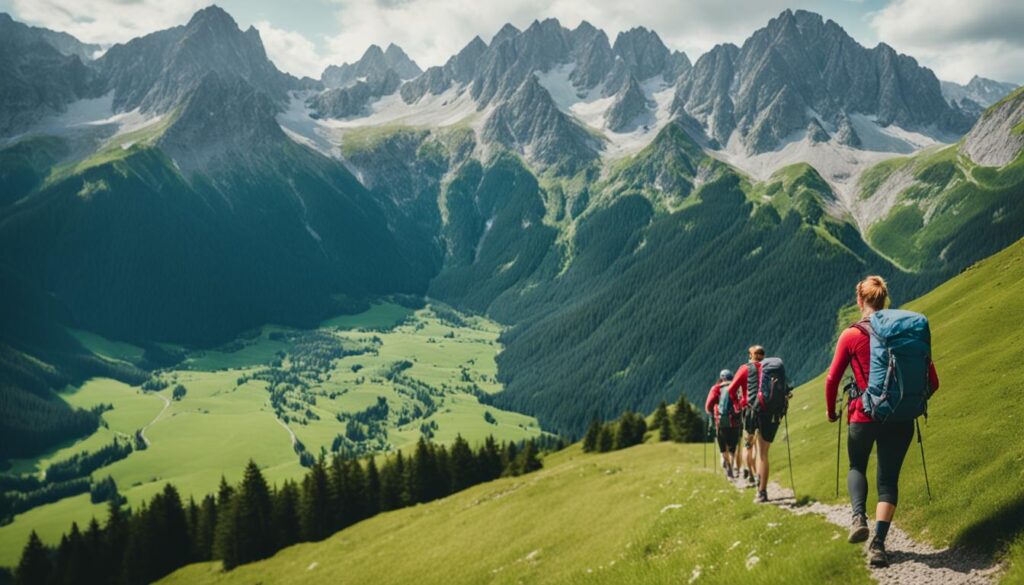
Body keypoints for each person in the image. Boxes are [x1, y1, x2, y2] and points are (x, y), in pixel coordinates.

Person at [825, 275, 939, 567]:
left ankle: (858, 517)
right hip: (900, 417)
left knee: (856, 466)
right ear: (884, 299)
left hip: (863, 416)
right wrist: (906, 400)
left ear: (860, 300)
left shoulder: (851, 335)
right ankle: (878, 544)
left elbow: (832, 380)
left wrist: (831, 411)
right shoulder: (907, 332)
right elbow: (933, 382)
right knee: (888, 481)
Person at [726, 345, 780, 503]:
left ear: (750, 355)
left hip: (750, 412)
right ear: (763, 355)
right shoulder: (772, 368)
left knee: (748, 445)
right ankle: (762, 491)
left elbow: (731, 390)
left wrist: (737, 406)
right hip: (769, 413)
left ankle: (751, 476)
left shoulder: (745, 369)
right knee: (763, 453)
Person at [705, 369, 740, 478]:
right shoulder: (736, 387)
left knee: (723, 447)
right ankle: (732, 464)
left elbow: (708, 406)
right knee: (732, 447)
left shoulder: (716, 388)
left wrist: (712, 416)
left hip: (720, 422)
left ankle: (728, 468)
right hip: (734, 422)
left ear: (721, 378)